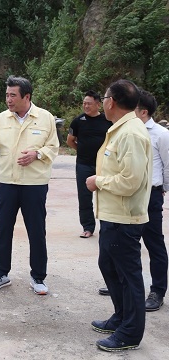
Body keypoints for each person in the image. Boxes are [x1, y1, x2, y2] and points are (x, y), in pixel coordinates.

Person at [0, 76, 59, 295]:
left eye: (13, 95)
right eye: (7, 95)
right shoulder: (1, 119)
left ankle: (38, 277)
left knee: (36, 231)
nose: (8, 100)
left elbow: (53, 147)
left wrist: (37, 154)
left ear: (26, 97)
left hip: (34, 185)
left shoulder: (45, 118)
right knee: (2, 230)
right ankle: (0, 274)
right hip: (8, 183)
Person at [85, 79, 151, 352]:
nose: (102, 102)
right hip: (112, 216)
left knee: (129, 275)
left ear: (111, 102)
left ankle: (130, 333)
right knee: (109, 267)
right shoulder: (121, 129)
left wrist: (99, 181)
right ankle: (121, 316)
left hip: (124, 218)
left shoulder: (131, 134)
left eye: (104, 98)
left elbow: (131, 180)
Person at [134, 89, 168, 311]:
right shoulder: (127, 130)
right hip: (129, 194)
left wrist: (161, 190)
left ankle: (157, 290)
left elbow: (168, 166)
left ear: (144, 111)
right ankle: (128, 283)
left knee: (154, 244)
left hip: (151, 195)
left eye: (133, 108)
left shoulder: (160, 134)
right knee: (127, 242)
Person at [66, 91, 112, 239]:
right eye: (84, 103)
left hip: (104, 165)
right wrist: (82, 151)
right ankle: (88, 227)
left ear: (98, 104)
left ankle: (109, 226)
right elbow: (70, 140)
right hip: (84, 164)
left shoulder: (108, 120)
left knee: (107, 195)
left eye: (89, 103)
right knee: (84, 197)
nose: (85, 106)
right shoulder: (78, 121)